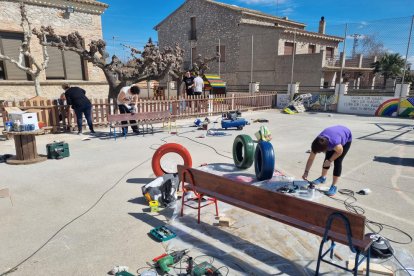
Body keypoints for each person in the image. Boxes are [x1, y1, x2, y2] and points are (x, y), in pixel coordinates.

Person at [302, 125, 352, 196]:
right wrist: (306, 172)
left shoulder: (335, 144)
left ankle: (334, 186)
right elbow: (311, 158)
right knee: (327, 159)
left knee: (337, 161)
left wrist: (330, 160)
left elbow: (340, 152)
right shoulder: (317, 143)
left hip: (346, 136)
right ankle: (323, 177)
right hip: (333, 135)